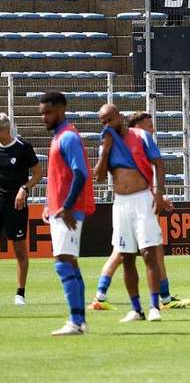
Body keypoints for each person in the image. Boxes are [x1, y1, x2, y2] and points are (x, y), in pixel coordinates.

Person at [92, 104, 168, 323]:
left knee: (149, 253)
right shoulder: (106, 141)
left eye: (109, 120)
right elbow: (98, 176)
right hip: (121, 204)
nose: (106, 125)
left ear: (120, 117)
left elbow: (159, 164)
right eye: (103, 122)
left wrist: (159, 193)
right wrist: (105, 150)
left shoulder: (141, 136)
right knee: (126, 257)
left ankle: (154, 306)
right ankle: (136, 309)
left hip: (142, 199)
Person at [39, 91, 94, 336]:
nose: (44, 117)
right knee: (69, 262)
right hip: (59, 210)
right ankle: (79, 321)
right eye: (42, 113)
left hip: (68, 212)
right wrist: (48, 205)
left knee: (62, 262)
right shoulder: (59, 137)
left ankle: (75, 322)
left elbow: (81, 173)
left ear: (62, 109)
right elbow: (60, 178)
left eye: (48, 112)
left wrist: (68, 205)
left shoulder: (68, 137)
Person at [0, 113, 41, 306]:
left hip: (16, 206)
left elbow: (38, 173)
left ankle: (20, 294)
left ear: (5, 130)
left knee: (19, 249)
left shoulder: (23, 148)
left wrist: (24, 188)